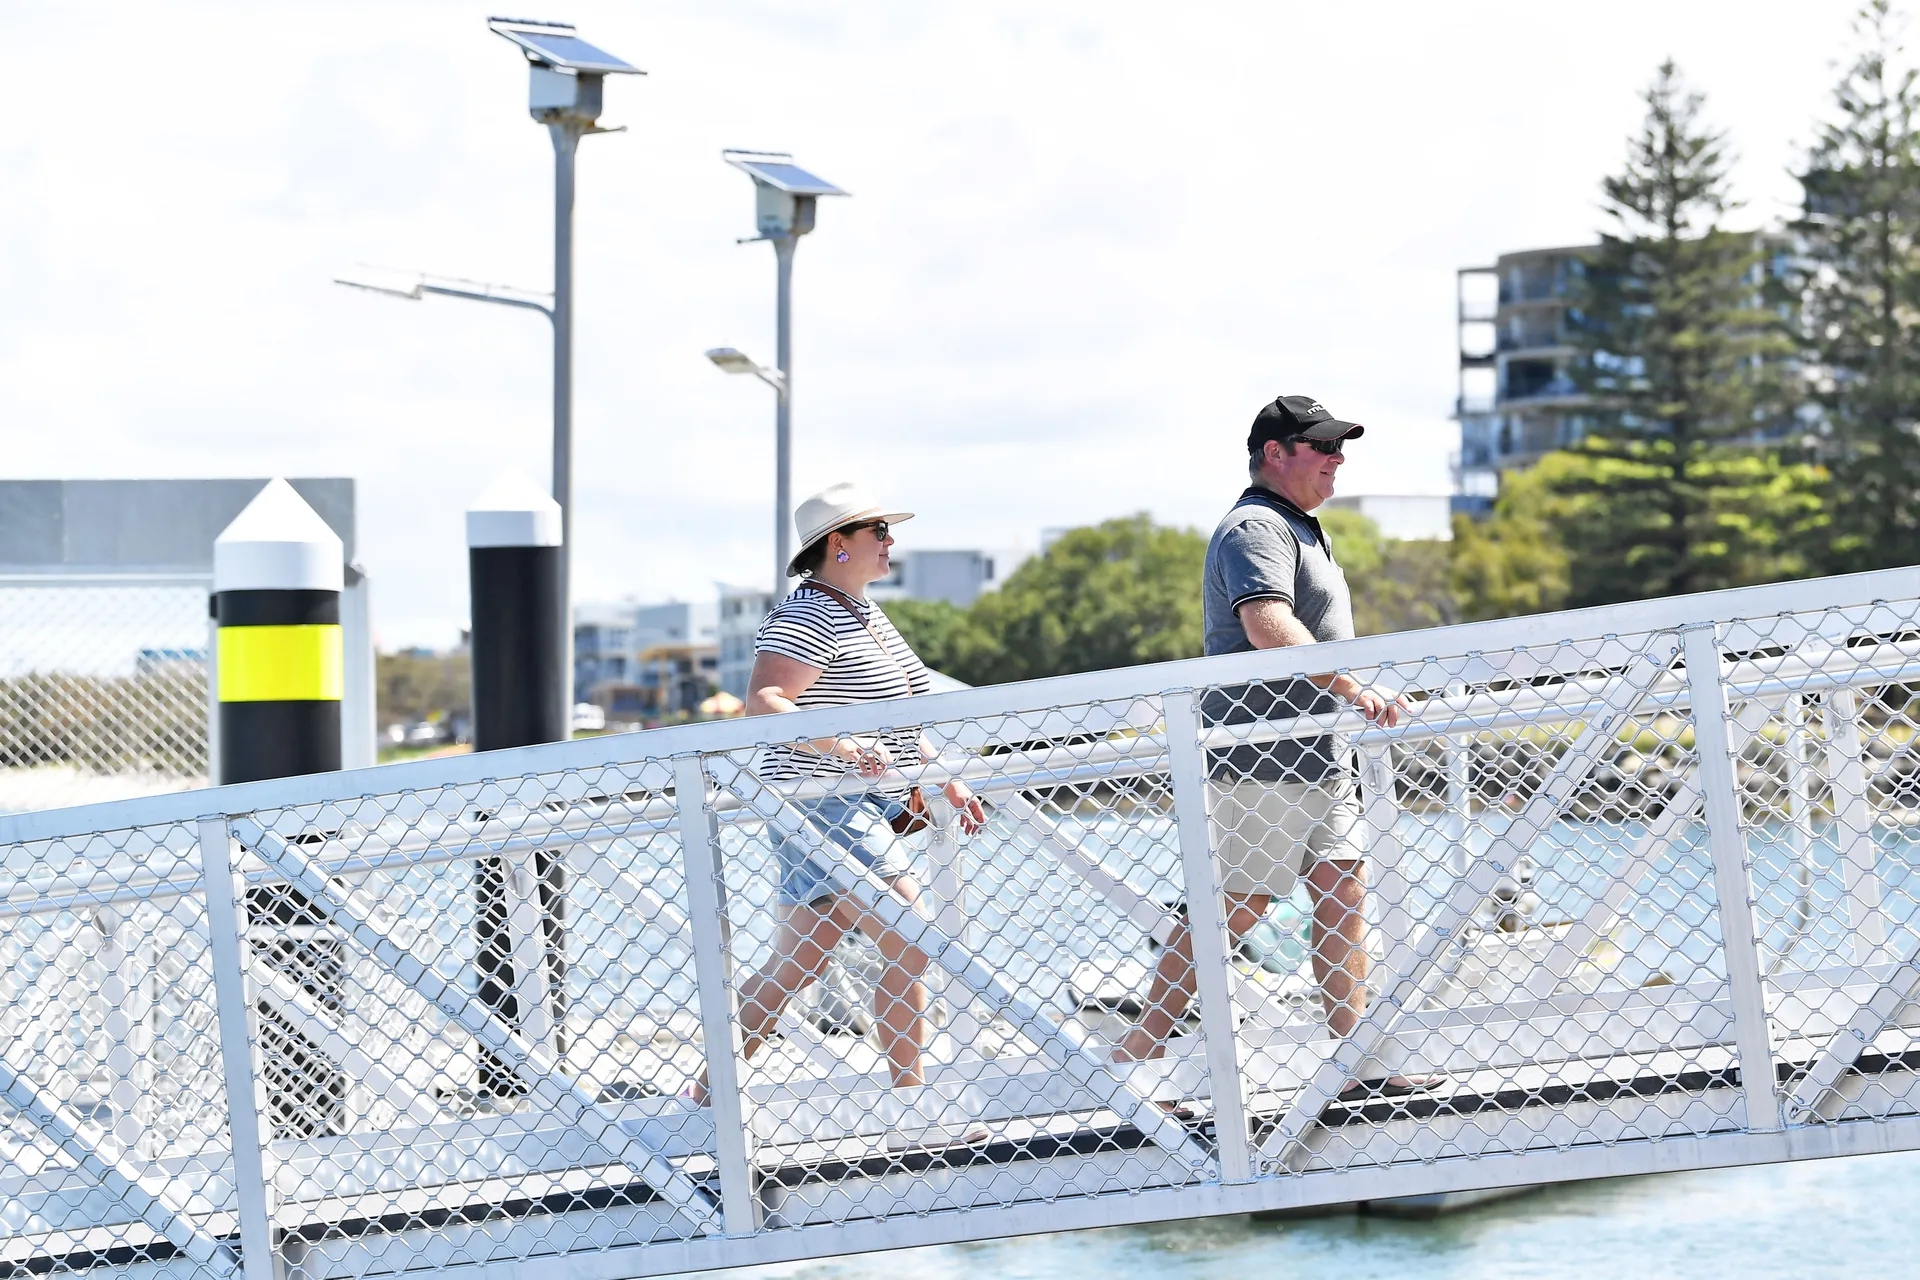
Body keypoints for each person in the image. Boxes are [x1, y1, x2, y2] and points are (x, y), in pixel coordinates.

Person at [1115, 394, 1439, 1102]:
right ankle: (1135, 1055)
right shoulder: (1255, 526)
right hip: (1263, 755)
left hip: (1317, 754)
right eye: (1322, 447)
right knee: (1237, 905)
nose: (1338, 459)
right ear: (1275, 453)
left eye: (1338, 447)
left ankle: (1354, 1062)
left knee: (1343, 895)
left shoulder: (1302, 527)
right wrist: (1356, 690)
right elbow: (1268, 627)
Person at [687, 481, 989, 1150]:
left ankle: (706, 1092)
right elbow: (765, 702)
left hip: (847, 804)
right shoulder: (809, 614)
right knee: (909, 937)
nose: (890, 542)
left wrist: (945, 779)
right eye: (877, 530)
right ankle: (910, 1107)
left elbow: (903, 714)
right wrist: (839, 742)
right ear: (837, 544)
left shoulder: (865, 614)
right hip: (822, 802)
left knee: (795, 965)